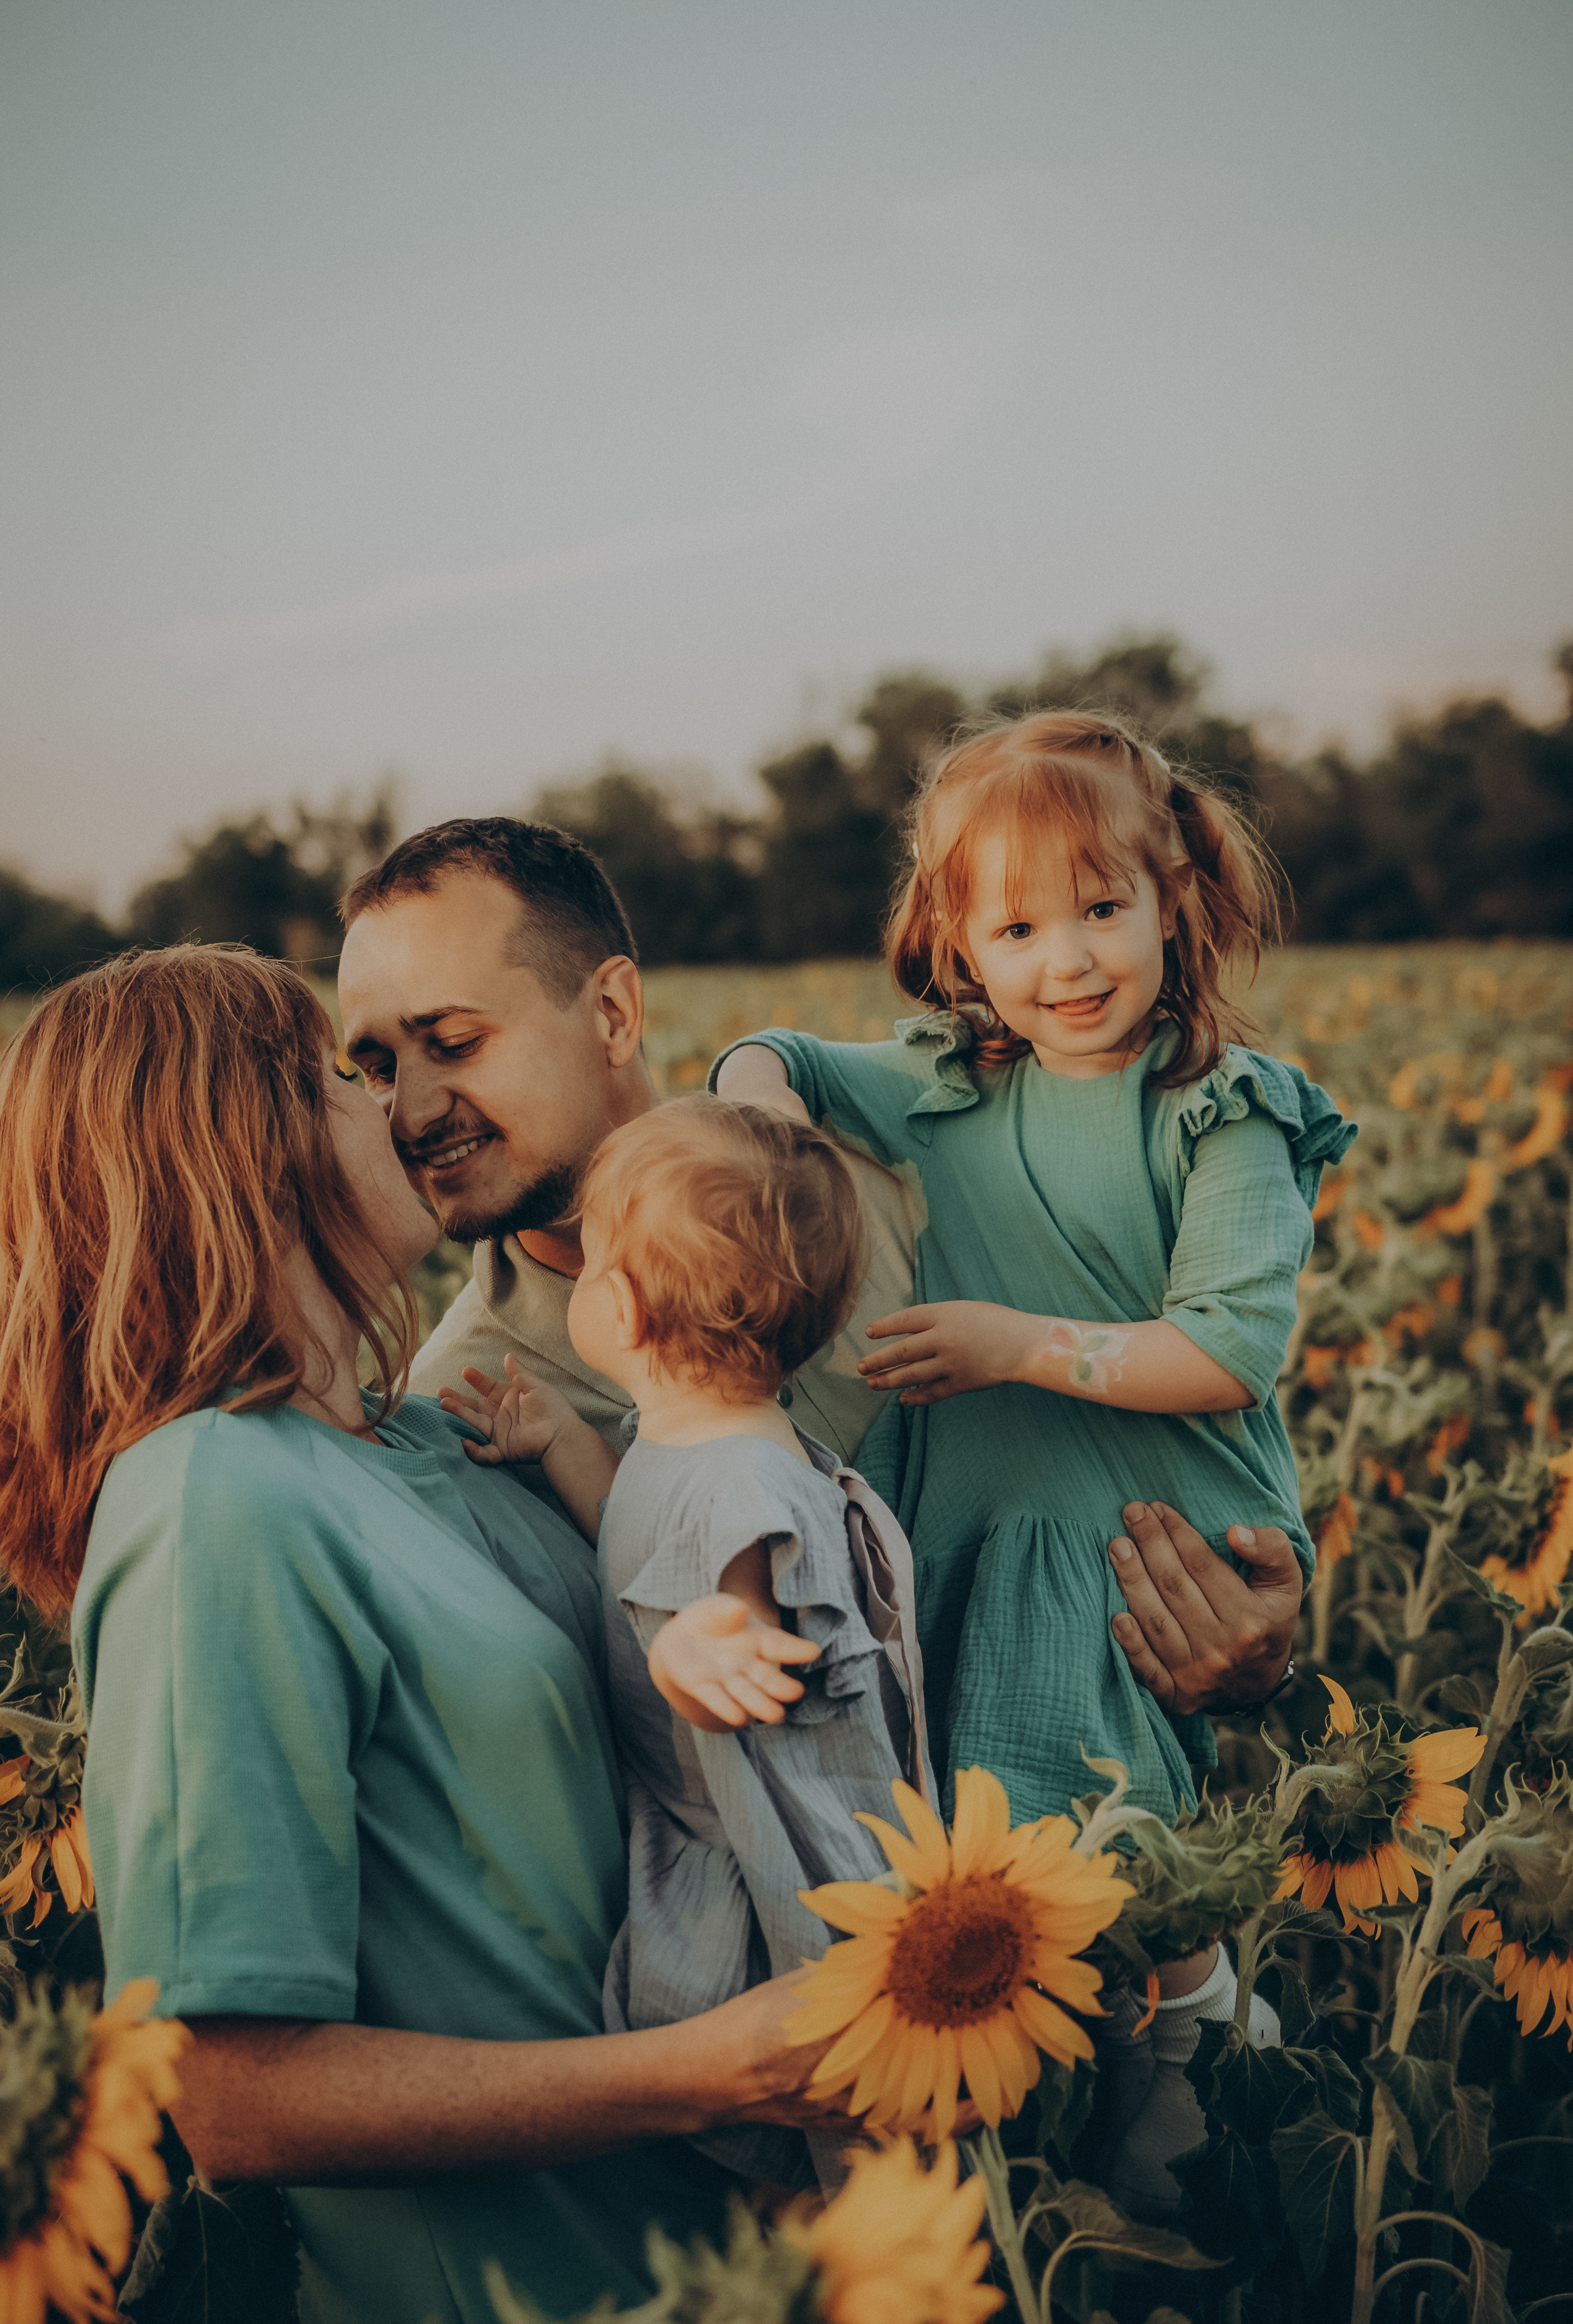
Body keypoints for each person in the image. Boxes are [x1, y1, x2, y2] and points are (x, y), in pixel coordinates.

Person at [0, 947, 841, 2324]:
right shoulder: (216, 1499)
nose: (396, 1105)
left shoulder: (440, 1437)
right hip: (531, 2315)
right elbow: (233, 2098)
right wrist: (717, 2070)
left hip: (732, 2287)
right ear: (239, 1148)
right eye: (348, 1075)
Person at [713, 711, 1356, 2207]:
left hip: (1140, 1517)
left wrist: (1011, 1343)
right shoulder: (947, 1080)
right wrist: (759, 1120)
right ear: (957, 941)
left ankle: (1195, 2035)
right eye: (1017, 924)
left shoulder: (1220, 1109)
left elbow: (1226, 1350)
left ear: (1173, 901)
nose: (1067, 960)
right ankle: (1059, 2107)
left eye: (1102, 909)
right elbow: (778, 1053)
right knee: (976, 1847)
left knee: (1106, 1827)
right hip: (980, 1518)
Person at [336, 817, 1308, 1723]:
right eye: (377, 1068)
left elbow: (1151, 1416)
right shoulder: (464, 1420)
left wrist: (1258, 1659)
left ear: (614, 1013)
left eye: (454, 1043)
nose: (413, 1114)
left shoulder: (892, 1153)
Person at [439, 1095, 935, 2196]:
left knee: (825, 2140)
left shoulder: (741, 1481)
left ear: (615, 1303)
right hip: (716, 1813)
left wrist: (698, 1651)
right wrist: (563, 1441)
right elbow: (639, 1533)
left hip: (760, 1858)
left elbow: (742, 1628)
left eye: (598, 1248)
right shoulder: (698, 1435)